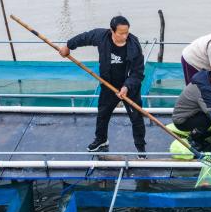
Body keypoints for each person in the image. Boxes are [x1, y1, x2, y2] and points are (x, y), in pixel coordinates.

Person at [59, 16, 146, 153]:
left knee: (136, 118)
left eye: (127, 32)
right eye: (121, 33)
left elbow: (138, 72)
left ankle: (141, 148)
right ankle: (101, 140)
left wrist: (126, 87)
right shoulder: (101, 36)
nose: (125, 36)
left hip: (129, 88)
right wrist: (68, 46)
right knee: (103, 114)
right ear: (112, 30)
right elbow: (84, 38)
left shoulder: (134, 45)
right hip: (108, 85)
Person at [173, 67, 211, 152]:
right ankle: (194, 139)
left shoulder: (209, 81)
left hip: (193, 113)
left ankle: (200, 132)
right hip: (181, 121)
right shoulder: (204, 89)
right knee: (208, 119)